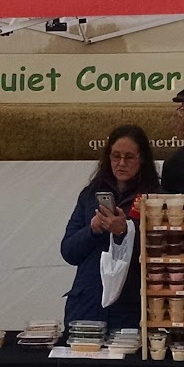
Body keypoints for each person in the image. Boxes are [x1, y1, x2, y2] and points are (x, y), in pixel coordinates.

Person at [60, 124, 160, 329]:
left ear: (142, 158)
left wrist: (125, 232)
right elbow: (68, 252)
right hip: (87, 302)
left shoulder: (156, 199)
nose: (121, 163)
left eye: (129, 157)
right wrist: (92, 230)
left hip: (131, 305)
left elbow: (161, 254)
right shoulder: (90, 195)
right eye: (116, 156)